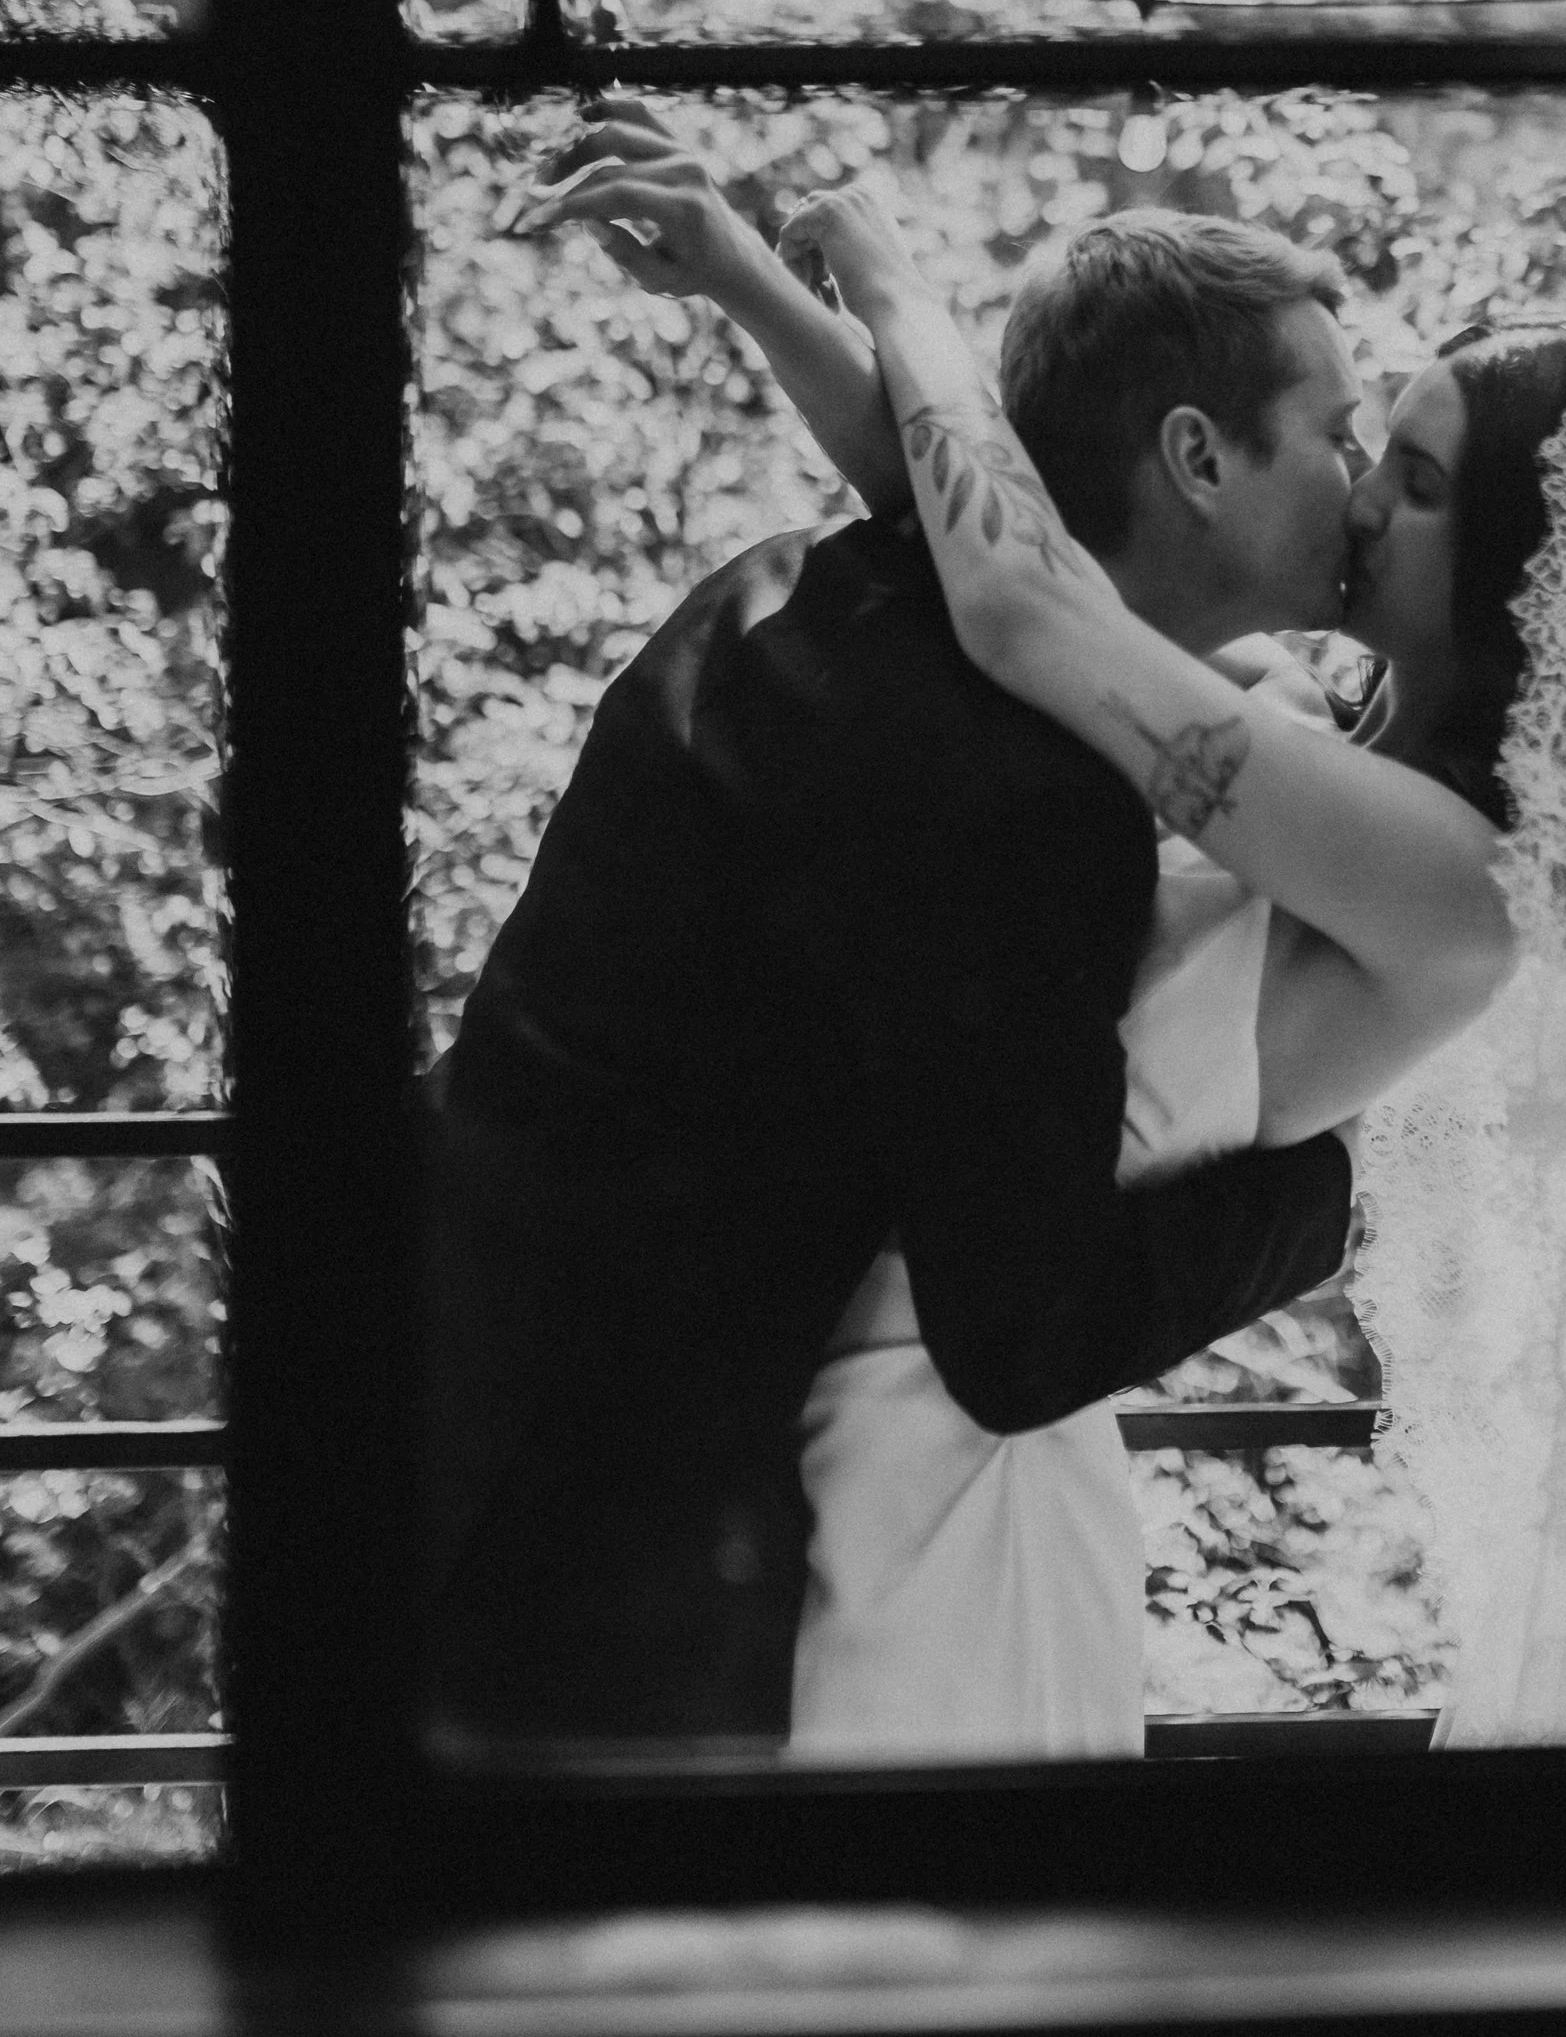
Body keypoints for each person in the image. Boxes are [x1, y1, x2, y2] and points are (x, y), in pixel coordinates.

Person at [559, 132, 1566, 1750]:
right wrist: (753, 285)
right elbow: (977, 537)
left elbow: (1029, 609)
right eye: (1373, 447)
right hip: (887, 1377)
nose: (1364, 494)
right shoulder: (1302, 744)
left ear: (1516, 584)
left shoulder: (1454, 883)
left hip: (960, 1431)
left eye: (1419, 482)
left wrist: (891, 280)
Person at [425, 126, 1379, 1747]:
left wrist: (756, 278)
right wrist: (1331, 1194)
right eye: (1339, 436)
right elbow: (1022, 1333)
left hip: (452, 1402)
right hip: (667, 1554)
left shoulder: (805, 590)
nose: (1357, 486)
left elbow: (990, 532)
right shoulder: (1018, 803)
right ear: (1201, 460)